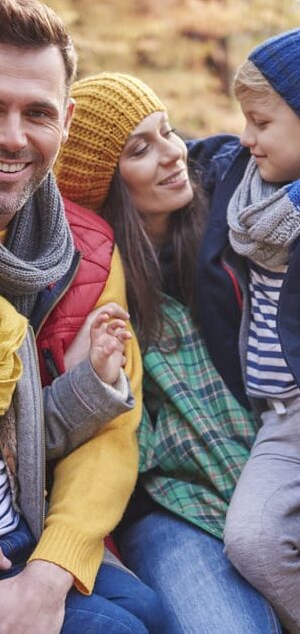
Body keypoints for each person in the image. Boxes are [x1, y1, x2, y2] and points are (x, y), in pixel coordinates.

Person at [55, 72, 283, 633]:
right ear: (105, 182)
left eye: (168, 132)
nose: (172, 154)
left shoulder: (236, 219)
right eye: (141, 149)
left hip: (269, 466)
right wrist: (96, 377)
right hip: (170, 508)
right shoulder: (85, 283)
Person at [0, 0, 166, 634]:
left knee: (146, 610)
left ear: (66, 122)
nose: (12, 137)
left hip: (29, 519)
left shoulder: (90, 249)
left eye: (36, 112)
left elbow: (109, 434)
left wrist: (51, 569)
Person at [189, 28, 300, 634]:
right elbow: (178, 147)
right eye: (243, 120)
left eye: (261, 121)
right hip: (278, 418)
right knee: (252, 541)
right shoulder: (241, 180)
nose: (246, 136)